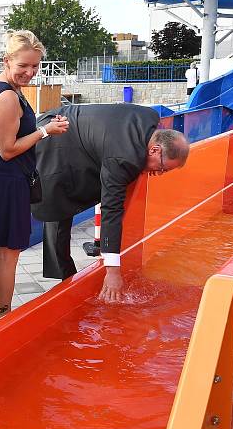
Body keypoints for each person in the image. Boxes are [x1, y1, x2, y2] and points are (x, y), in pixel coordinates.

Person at [31, 104, 190, 302]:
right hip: (54, 143)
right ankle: (66, 281)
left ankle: (68, 279)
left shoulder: (149, 118)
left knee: (86, 193)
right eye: (163, 168)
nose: (159, 173)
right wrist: (113, 271)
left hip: (75, 131)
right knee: (59, 208)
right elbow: (111, 209)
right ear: (155, 149)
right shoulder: (124, 157)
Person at [0, 31, 68, 324]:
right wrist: (44, 132)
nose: (30, 72)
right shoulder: (7, 97)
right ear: (7, 61)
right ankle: (4, 314)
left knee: (1, 253)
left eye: (35, 66)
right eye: (23, 66)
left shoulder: (3, 89)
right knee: (9, 255)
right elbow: (7, 149)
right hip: (7, 182)